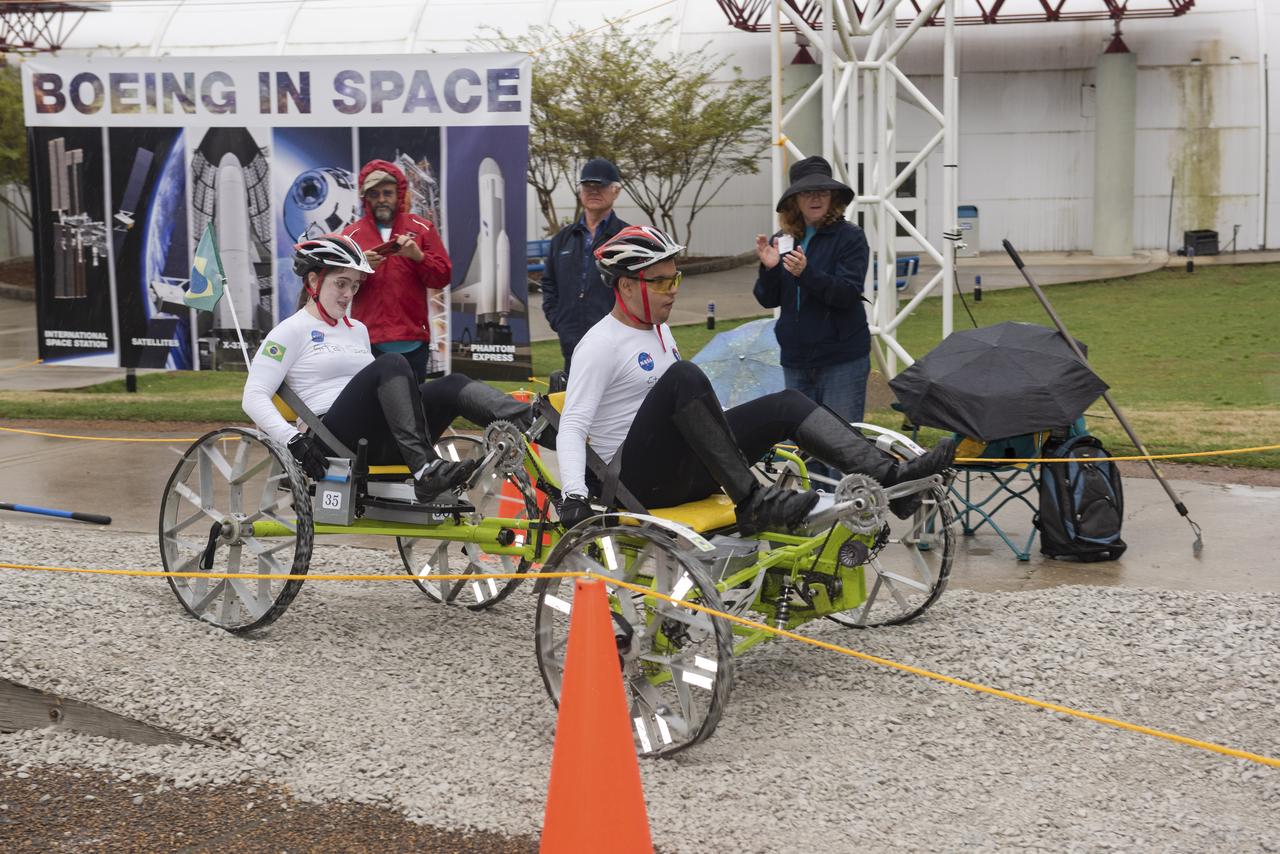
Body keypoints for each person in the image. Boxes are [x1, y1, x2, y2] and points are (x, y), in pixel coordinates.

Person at [556, 225, 955, 533]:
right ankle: (754, 503)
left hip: (684, 471)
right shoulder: (599, 344)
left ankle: (892, 481)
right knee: (684, 376)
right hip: (636, 483)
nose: (673, 290)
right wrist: (573, 495)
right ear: (625, 286)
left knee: (787, 403)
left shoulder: (659, 331)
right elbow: (572, 425)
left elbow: (695, 412)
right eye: (661, 282)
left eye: (675, 279)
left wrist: (746, 429)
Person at [242, 235, 532, 504]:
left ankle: (533, 421)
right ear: (313, 282)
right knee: (391, 362)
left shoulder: (358, 330)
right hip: (330, 441)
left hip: (381, 442)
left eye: (354, 286)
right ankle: (426, 471)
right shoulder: (289, 332)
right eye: (341, 284)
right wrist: (293, 442)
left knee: (451, 385)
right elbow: (253, 396)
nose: (348, 294)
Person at [754, 155, 872, 429]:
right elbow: (767, 299)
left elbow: (847, 294)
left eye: (822, 192)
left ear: (833, 198)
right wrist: (770, 269)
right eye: (807, 192)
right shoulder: (781, 240)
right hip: (795, 359)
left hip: (841, 359)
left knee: (841, 445)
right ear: (795, 199)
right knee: (806, 446)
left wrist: (807, 274)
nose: (815, 198)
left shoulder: (850, 237)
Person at [341, 159, 451, 384]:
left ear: (398, 193)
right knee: (372, 408)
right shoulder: (351, 234)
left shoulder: (421, 228)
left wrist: (418, 257)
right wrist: (360, 270)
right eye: (374, 194)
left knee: (413, 407)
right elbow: (337, 287)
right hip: (368, 342)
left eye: (387, 192)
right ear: (365, 198)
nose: (381, 199)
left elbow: (443, 276)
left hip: (414, 342)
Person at [540, 157, 629, 374]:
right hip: (572, 345)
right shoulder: (562, 240)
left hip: (615, 347)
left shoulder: (626, 238)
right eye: (587, 186)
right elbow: (548, 284)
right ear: (580, 191)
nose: (593, 191)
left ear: (616, 191)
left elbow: (636, 288)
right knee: (573, 406)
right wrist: (558, 320)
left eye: (601, 185)